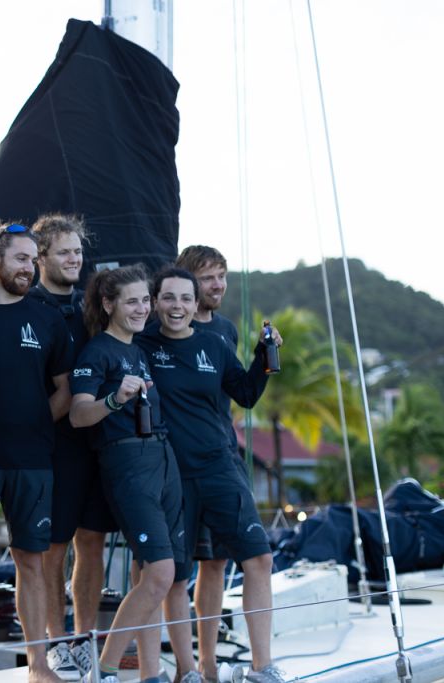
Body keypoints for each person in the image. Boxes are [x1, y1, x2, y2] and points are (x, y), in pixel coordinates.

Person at [137, 267, 284, 683]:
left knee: (259, 558)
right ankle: (189, 671)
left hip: (220, 466)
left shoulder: (215, 345)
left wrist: (264, 356)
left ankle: (262, 667)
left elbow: (246, 394)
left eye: (186, 298)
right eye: (169, 298)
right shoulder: (141, 345)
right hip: (169, 475)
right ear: (155, 302)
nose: (178, 306)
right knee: (175, 577)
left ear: (195, 301)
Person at [0, 221, 73, 683]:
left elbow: (63, 389)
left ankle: (38, 666)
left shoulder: (47, 319)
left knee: (32, 561)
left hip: (33, 460)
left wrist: (34, 422)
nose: (29, 267)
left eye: (33, 260)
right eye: (21, 258)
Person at [68, 264, 184, 683]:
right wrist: (115, 400)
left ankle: (150, 674)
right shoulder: (97, 351)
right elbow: (79, 414)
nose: (141, 308)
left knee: (156, 575)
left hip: (162, 459)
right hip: (127, 462)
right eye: (131, 300)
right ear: (108, 303)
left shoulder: (139, 350)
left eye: (145, 300)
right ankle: (106, 669)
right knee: (159, 573)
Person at [27, 214, 116, 680]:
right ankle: (55, 641)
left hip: (96, 445)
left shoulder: (93, 306)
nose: (74, 259)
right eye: (64, 251)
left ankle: (84, 640)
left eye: (78, 252)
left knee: (92, 543)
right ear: (41, 257)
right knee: (52, 549)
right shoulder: (29, 304)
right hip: (50, 445)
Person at [176, 245, 245, 681]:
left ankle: (208, 662)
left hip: (223, 456)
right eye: (208, 277)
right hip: (177, 466)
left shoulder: (226, 330)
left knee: (216, 563)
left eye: (222, 275)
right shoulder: (157, 330)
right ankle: (186, 666)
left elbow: (237, 392)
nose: (217, 284)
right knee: (172, 571)